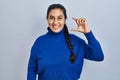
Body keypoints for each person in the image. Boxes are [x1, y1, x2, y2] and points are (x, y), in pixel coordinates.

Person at [27, 4, 104, 80]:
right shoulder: (39, 42)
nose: (55, 22)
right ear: (47, 19)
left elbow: (98, 56)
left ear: (65, 20)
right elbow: (32, 68)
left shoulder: (76, 42)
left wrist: (88, 33)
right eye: (51, 18)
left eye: (59, 18)